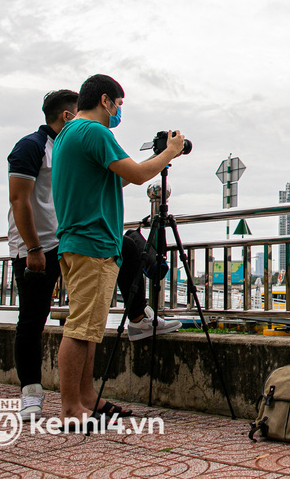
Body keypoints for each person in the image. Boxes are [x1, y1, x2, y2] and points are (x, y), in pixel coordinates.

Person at [52, 74, 186, 421]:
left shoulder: (69, 133)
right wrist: (170, 152)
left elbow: (121, 175)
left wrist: (156, 159)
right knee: (80, 329)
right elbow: (140, 177)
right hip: (92, 241)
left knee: (89, 329)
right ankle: (70, 408)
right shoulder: (96, 131)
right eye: (119, 105)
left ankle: (86, 399)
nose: (118, 112)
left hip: (77, 240)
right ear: (106, 100)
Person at [8, 89, 78, 421]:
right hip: (35, 247)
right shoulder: (31, 146)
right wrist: (33, 248)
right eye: (79, 113)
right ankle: (31, 393)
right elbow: (19, 200)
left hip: (66, 242)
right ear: (67, 115)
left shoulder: (66, 149)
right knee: (32, 320)